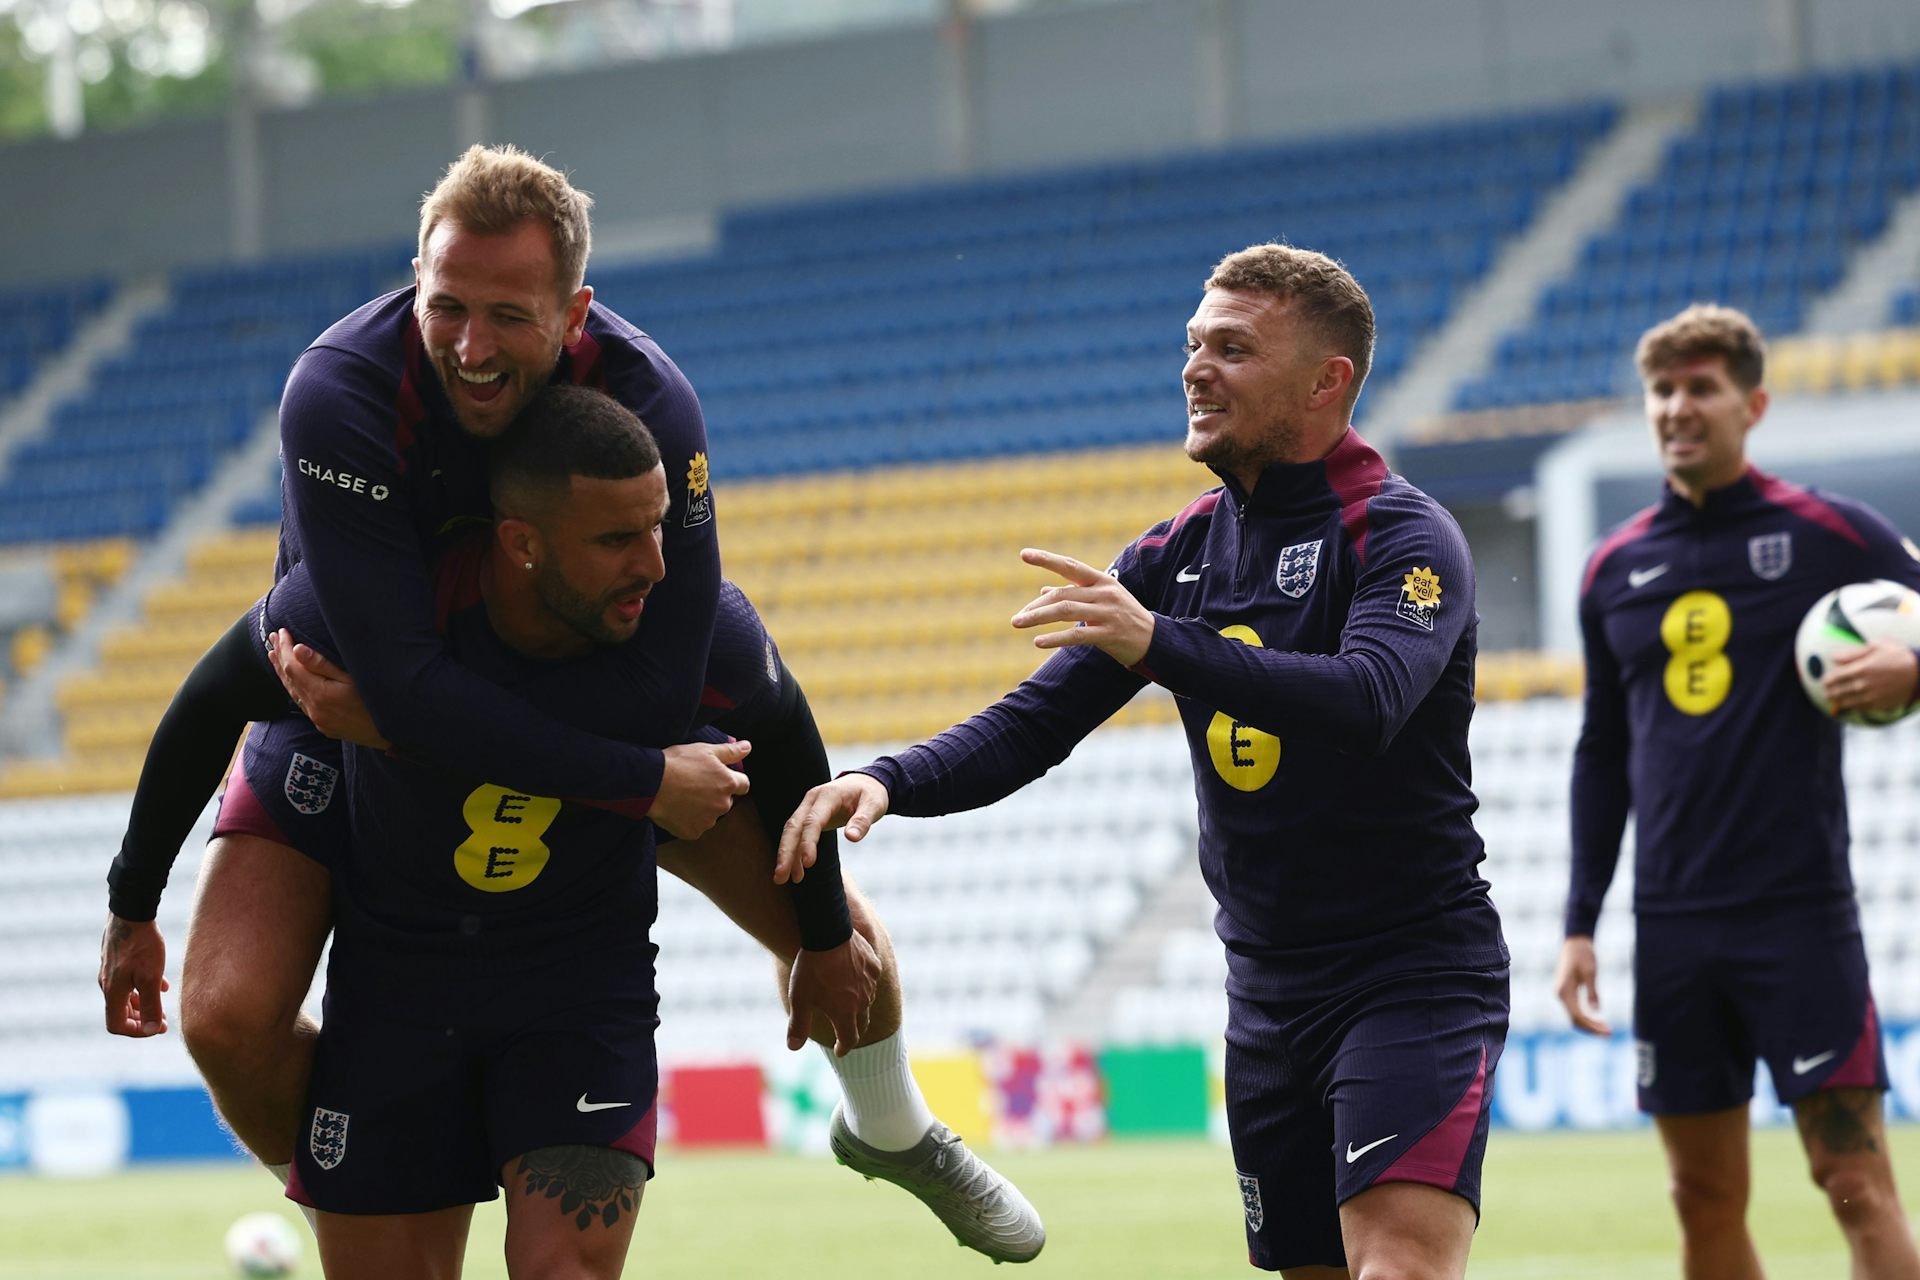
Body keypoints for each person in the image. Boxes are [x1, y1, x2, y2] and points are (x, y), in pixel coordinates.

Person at [98, 145, 1042, 1264]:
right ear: (414, 279)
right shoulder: (344, 390)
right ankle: (355, 1180)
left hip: (573, 691)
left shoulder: (647, 404)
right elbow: (346, 681)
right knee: (223, 1015)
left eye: (508, 314)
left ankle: (891, 1125)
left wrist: (808, 917)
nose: (469, 344)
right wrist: (134, 896)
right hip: (356, 697)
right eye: (445, 305)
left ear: (575, 314)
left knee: (841, 938)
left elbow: (673, 687)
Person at [779, 243, 1510, 1279]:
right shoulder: (1178, 551)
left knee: (1395, 1265)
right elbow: (1034, 723)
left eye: (1233, 347)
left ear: (1326, 380)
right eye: (1192, 343)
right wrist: (889, 777)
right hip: (1265, 991)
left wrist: (1161, 642)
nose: (1195, 367)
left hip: (1411, 975)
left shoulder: (1402, 533)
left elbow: (1370, 698)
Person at [1554, 303, 1920, 1280]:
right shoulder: (1610, 567)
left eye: (1701, 387)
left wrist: (1914, 669)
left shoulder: (1832, 535)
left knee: (1852, 1175)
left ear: (1752, 403)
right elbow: (1602, 750)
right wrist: (1580, 919)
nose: (1679, 407)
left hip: (1801, 914)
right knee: (1700, 1196)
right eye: (1663, 390)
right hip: (1673, 925)